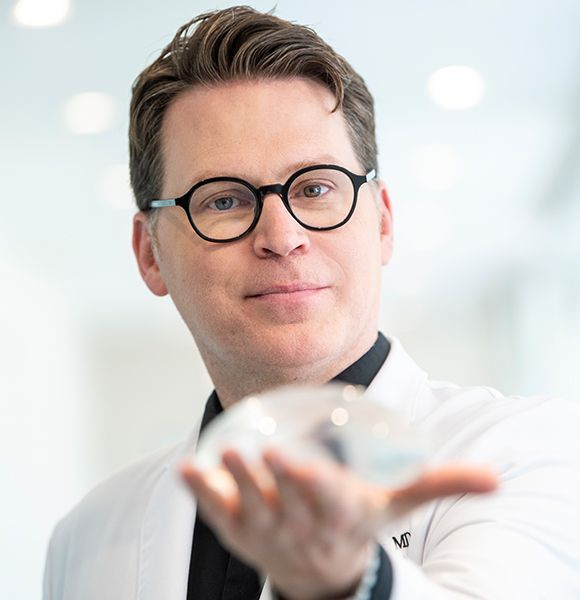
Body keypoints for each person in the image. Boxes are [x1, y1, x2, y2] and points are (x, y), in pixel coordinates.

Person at [43, 6, 580, 599]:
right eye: (223, 201)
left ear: (381, 222)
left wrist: (351, 582)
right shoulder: (89, 537)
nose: (281, 236)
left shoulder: (526, 453)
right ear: (150, 254)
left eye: (316, 188)